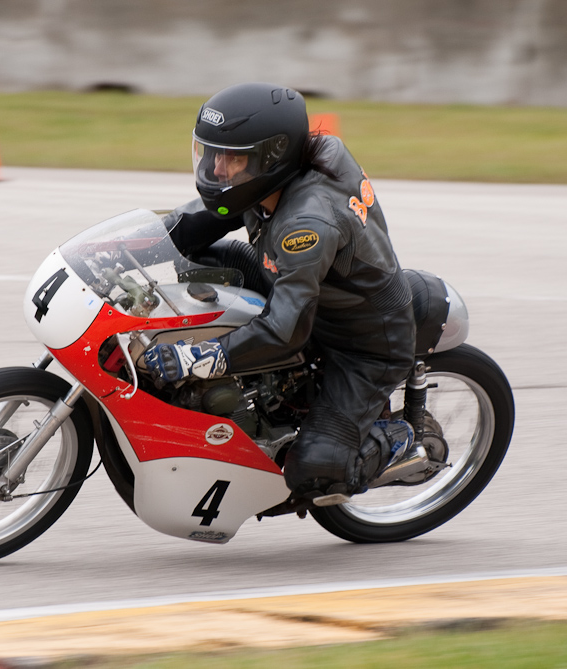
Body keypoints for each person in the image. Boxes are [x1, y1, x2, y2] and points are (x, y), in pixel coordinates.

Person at [143, 82, 417, 502]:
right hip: (307, 287)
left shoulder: (305, 226)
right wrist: (134, 246)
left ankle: (399, 438)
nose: (216, 170)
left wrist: (197, 358)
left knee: (312, 471)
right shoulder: (284, 171)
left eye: (232, 158)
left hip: (362, 343)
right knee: (195, 261)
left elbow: (285, 331)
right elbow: (205, 219)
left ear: (272, 158)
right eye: (211, 154)